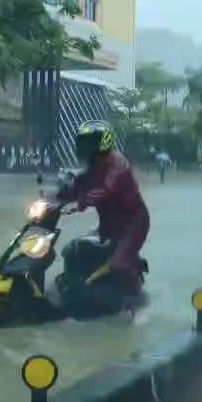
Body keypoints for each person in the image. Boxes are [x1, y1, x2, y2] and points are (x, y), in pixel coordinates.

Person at [57, 120, 151, 307]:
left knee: (117, 263)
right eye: (82, 141)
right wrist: (58, 193)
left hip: (132, 224)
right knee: (75, 249)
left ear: (102, 143)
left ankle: (132, 306)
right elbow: (79, 182)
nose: (84, 146)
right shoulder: (93, 163)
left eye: (89, 142)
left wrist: (79, 203)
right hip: (108, 222)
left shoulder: (118, 164)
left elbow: (104, 190)